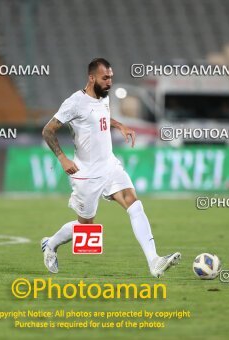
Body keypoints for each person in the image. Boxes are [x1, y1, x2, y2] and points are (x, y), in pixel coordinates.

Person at [41, 58, 181, 278]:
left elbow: (102, 116)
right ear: (91, 78)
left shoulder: (103, 98)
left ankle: (154, 261)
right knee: (86, 226)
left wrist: (120, 125)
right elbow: (48, 130)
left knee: (134, 205)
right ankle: (50, 244)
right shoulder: (75, 102)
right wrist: (62, 158)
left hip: (110, 166)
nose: (109, 82)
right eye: (105, 78)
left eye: (111, 78)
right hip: (85, 174)